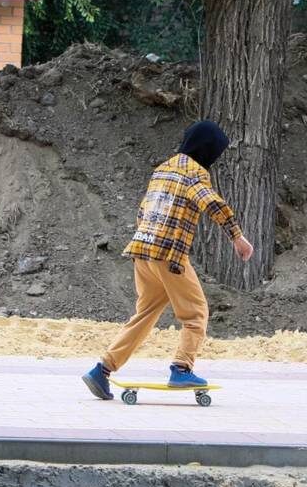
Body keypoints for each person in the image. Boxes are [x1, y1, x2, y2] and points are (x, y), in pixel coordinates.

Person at [82, 120, 254, 400]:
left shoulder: (162, 169)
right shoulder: (194, 173)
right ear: (206, 149)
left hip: (143, 251)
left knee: (145, 314)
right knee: (196, 313)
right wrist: (237, 236)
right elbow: (211, 202)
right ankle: (182, 368)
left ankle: (102, 370)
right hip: (169, 255)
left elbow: (143, 210)